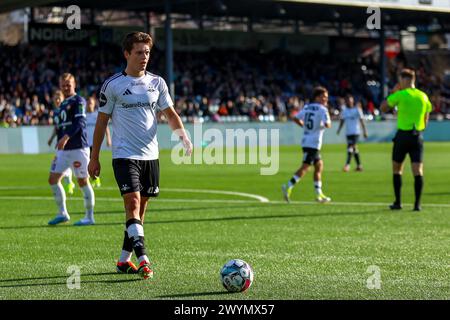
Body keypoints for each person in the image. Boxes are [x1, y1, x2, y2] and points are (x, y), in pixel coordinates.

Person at [88, 32, 193, 279]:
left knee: (140, 210)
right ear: (127, 54)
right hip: (124, 155)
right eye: (139, 52)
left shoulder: (158, 83)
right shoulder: (113, 85)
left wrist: (183, 136)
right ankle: (144, 260)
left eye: (147, 52)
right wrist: (94, 157)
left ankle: (124, 260)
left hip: (151, 156)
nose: (144, 57)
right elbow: (101, 123)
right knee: (132, 204)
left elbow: (170, 113)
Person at [381, 68, 433, 211]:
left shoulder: (401, 94)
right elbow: (426, 117)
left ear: (404, 80)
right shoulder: (423, 96)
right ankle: (417, 204)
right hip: (417, 136)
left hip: (403, 136)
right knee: (418, 170)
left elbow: (383, 108)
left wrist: (393, 93)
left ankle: (398, 202)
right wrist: (420, 129)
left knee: (397, 169)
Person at [48, 73, 95, 226]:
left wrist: (65, 137)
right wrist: (59, 140)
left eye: (68, 84)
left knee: (82, 181)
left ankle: (89, 217)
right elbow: (61, 126)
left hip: (78, 148)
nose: (66, 87)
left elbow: (80, 123)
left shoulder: (78, 100)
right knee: (53, 179)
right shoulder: (62, 104)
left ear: (74, 84)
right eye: (63, 84)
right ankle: (63, 213)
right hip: (64, 150)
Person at [282, 86, 332, 203]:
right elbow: (328, 124)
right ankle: (288, 186)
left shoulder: (307, 107)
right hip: (313, 143)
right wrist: (321, 125)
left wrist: (304, 126)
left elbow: (295, 118)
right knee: (305, 167)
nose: (326, 99)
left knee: (319, 165)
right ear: (318, 97)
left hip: (306, 140)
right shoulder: (323, 109)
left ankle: (318, 194)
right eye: (324, 97)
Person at [48, 90, 77, 195]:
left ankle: (69, 181)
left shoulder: (67, 109)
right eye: (55, 98)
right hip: (60, 144)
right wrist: (51, 138)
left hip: (68, 142)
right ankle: (69, 182)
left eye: (59, 98)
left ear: (63, 99)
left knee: (58, 166)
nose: (57, 100)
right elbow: (57, 127)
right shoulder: (55, 112)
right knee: (61, 165)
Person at [336, 95, 368, 172]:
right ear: (346, 101)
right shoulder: (345, 110)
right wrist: (339, 129)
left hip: (356, 132)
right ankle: (359, 166)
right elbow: (342, 121)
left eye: (350, 100)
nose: (349, 102)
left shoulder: (357, 109)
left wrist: (365, 131)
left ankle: (347, 165)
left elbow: (361, 120)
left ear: (353, 101)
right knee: (354, 149)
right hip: (348, 133)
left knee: (350, 147)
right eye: (348, 101)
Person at [85, 96, 111, 188]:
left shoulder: (97, 115)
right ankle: (94, 178)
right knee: (87, 162)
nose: (89, 105)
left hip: (94, 143)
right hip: (85, 143)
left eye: (91, 103)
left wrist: (108, 138)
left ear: (94, 104)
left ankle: (96, 178)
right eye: (88, 103)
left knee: (93, 160)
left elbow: (105, 126)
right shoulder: (84, 116)